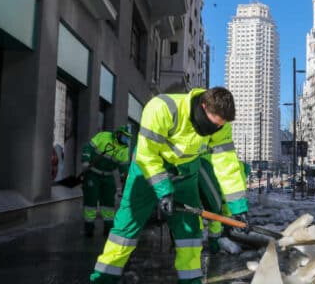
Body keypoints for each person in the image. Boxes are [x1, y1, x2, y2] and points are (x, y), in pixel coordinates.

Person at [90, 87, 248, 284]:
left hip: (186, 173)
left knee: (189, 233)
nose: (214, 129)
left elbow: (227, 165)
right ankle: (103, 278)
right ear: (203, 106)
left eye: (219, 126)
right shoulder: (163, 108)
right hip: (148, 171)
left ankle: (191, 281)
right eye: (211, 124)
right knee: (126, 227)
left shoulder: (221, 126)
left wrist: (238, 207)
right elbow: (147, 154)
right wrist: (163, 190)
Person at [81, 125, 131, 237]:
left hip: (108, 176)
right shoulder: (103, 136)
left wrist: (126, 179)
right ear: (118, 133)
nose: (125, 139)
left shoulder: (125, 149)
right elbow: (88, 147)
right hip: (93, 174)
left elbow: (123, 167)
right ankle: (89, 228)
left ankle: (108, 228)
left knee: (108, 203)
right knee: (91, 202)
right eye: (124, 136)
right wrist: (85, 160)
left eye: (127, 137)